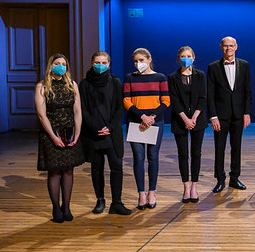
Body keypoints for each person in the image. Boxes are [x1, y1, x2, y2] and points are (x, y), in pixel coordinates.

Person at [79, 50, 131, 215]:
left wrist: (110, 127)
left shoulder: (115, 82)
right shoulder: (84, 84)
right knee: (97, 168)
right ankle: (100, 200)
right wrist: (95, 127)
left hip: (112, 131)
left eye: (103, 62)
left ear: (109, 64)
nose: (100, 65)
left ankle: (117, 202)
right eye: (97, 62)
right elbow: (83, 109)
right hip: (93, 133)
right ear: (91, 63)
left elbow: (119, 107)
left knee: (117, 167)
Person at [35, 54, 85, 223]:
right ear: (51, 66)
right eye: (57, 64)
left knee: (69, 170)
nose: (61, 67)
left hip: (69, 131)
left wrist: (78, 133)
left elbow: (77, 111)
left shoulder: (72, 85)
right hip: (51, 132)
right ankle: (56, 208)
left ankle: (67, 207)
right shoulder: (42, 86)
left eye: (64, 64)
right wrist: (53, 137)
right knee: (55, 170)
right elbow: (42, 115)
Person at [124, 48, 170, 210]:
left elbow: (165, 101)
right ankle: (141, 194)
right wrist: (142, 117)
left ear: (149, 59)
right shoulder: (130, 78)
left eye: (142, 60)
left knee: (153, 156)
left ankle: (152, 192)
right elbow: (127, 101)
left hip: (155, 122)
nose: (139, 64)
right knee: (138, 157)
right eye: (136, 61)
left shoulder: (160, 77)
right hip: (136, 122)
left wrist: (151, 117)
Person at [207, 36, 252, 193]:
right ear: (221, 47)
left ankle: (235, 178)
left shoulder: (244, 65)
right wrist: (213, 116)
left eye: (231, 46)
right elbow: (210, 94)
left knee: (236, 147)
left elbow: (247, 91)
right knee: (219, 148)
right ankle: (220, 179)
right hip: (220, 116)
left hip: (238, 114)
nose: (228, 48)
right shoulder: (213, 67)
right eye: (225, 46)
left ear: (236, 47)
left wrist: (247, 113)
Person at [168, 46, 208, 204]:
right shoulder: (172, 77)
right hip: (180, 120)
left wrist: (194, 118)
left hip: (198, 119)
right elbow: (174, 100)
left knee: (196, 154)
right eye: (183, 56)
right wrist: (185, 119)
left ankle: (194, 187)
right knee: (183, 154)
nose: (186, 58)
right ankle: (185, 187)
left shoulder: (200, 75)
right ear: (178, 59)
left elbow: (202, 98)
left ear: (194, 58)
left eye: (189, 56)